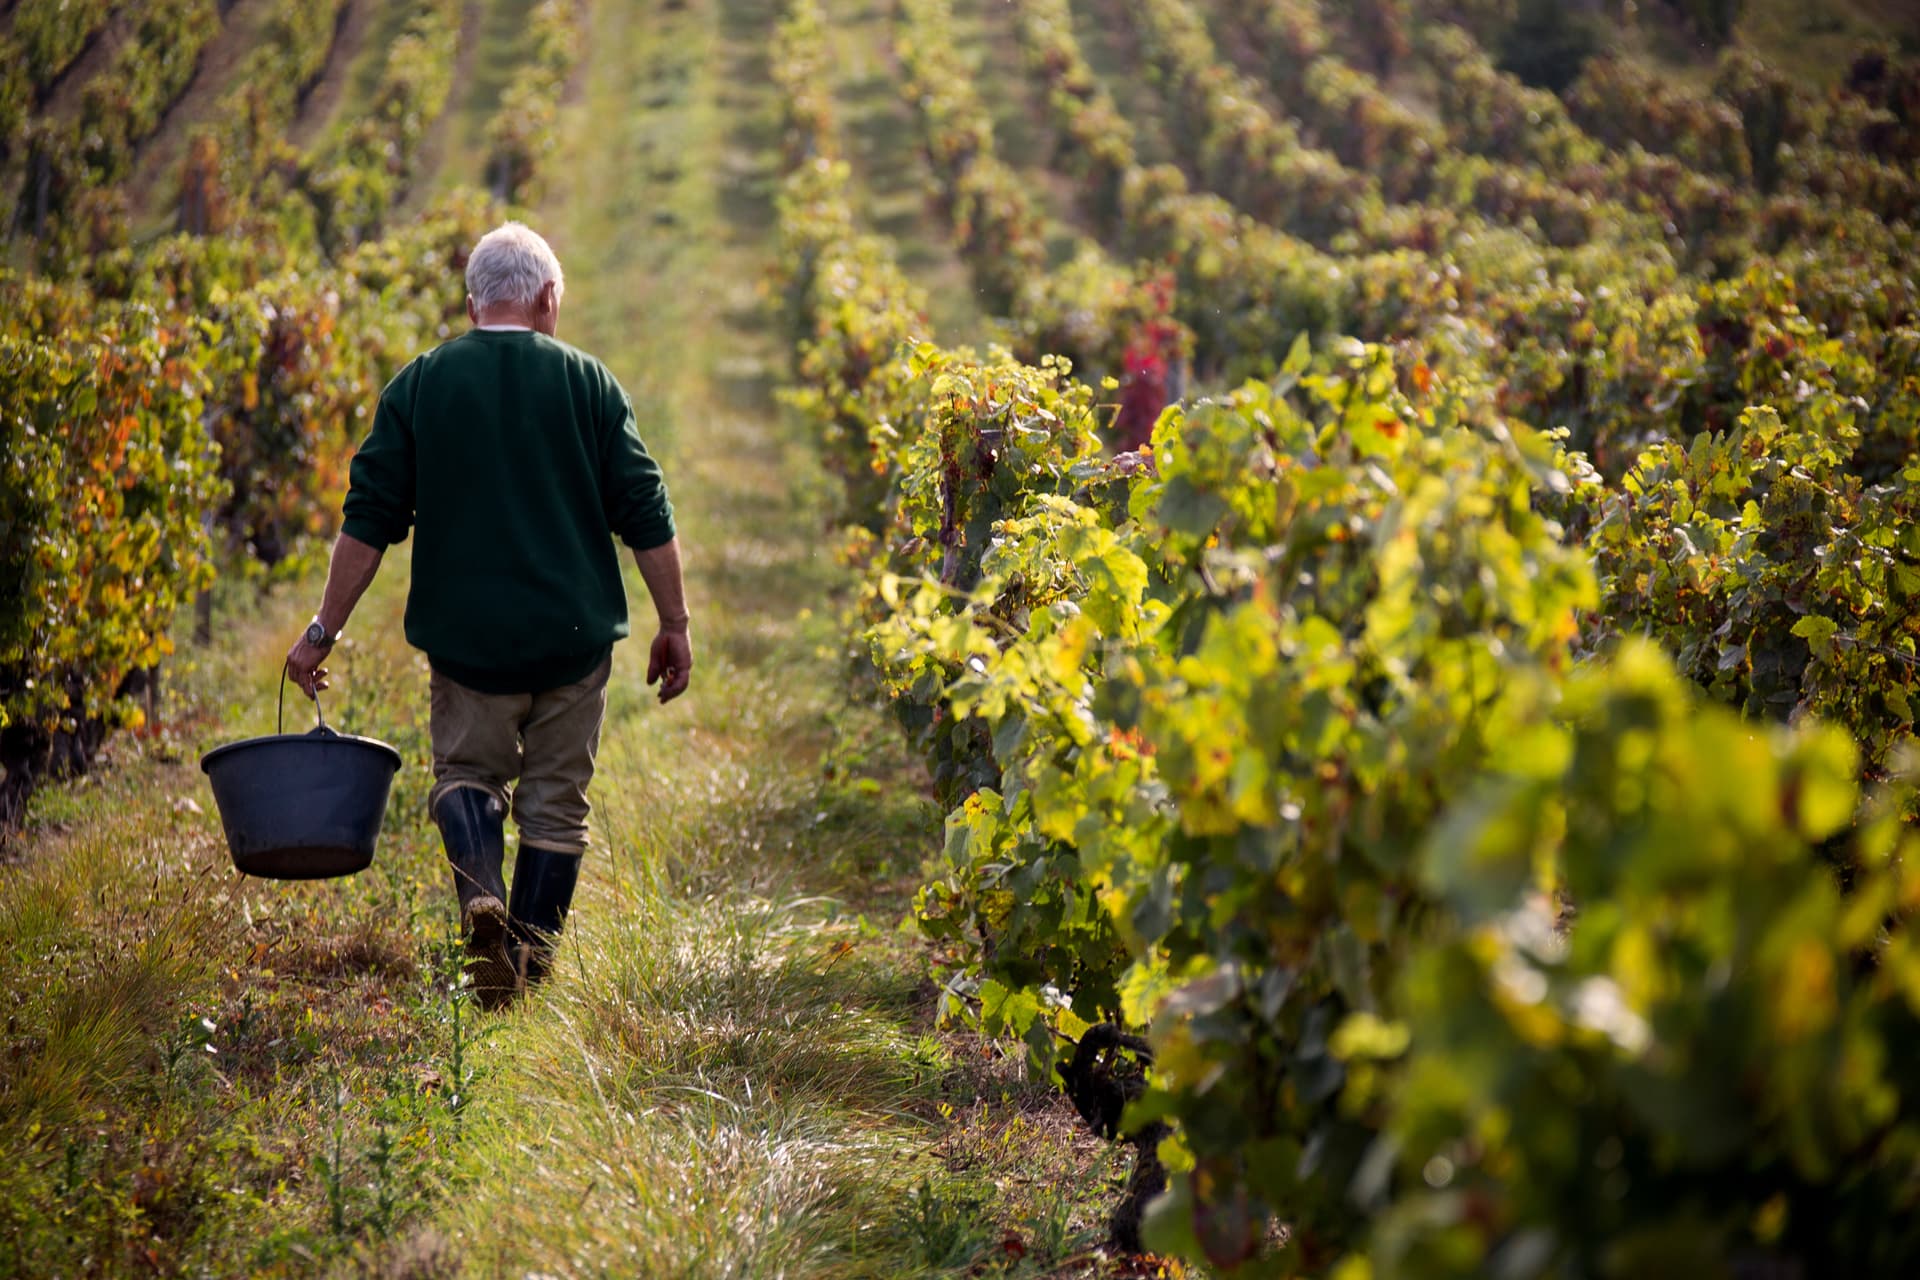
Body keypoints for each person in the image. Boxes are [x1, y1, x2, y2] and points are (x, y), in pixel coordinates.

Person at [285, 222, 692, 1010]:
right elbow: (647, 513)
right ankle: (525, 981)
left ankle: (480, 891)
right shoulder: (591, 384)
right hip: (572, 644)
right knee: (556, 805)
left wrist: (320, 633)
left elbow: (367, 521)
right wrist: (673, 622)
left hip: (466, 644)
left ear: (473, 305)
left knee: (467, 776)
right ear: (546, 299)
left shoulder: (421, 384)